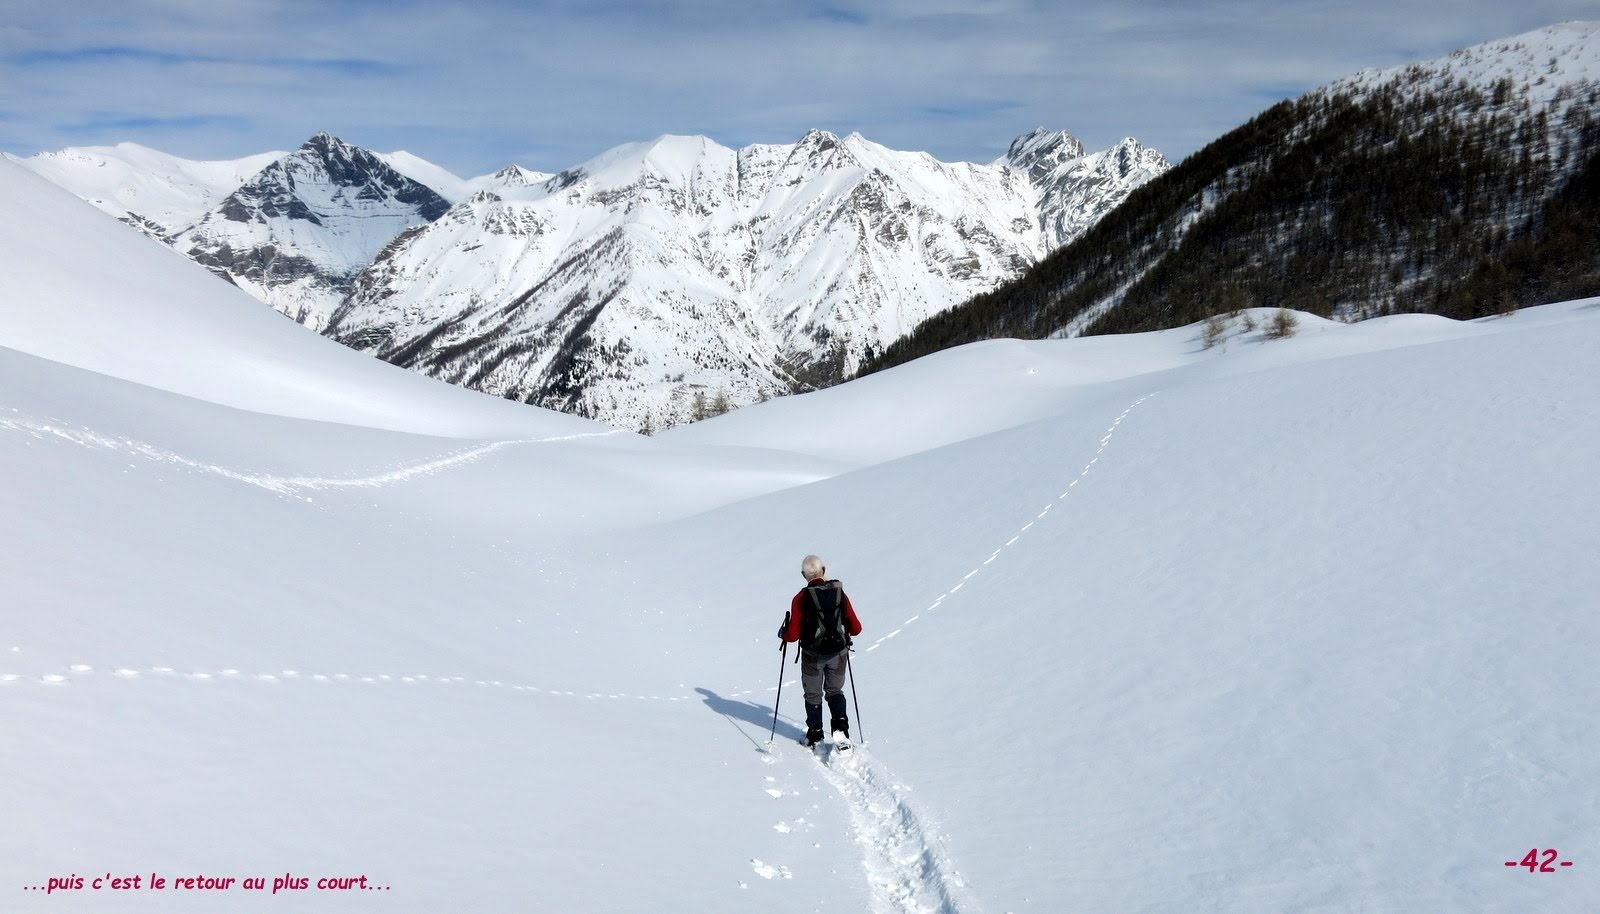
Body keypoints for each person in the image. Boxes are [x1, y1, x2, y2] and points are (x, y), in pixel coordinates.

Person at [779, 554, 863, 746]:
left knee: (813, 695)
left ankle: (815, 735)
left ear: (804, 575)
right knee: (835, 691)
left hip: (812, 656)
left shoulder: (800, 598)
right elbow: (857, 628)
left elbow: (792, 635)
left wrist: (783, 633)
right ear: (823, 570)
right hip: (838, 654)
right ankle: (841, 731)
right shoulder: (839, 593)